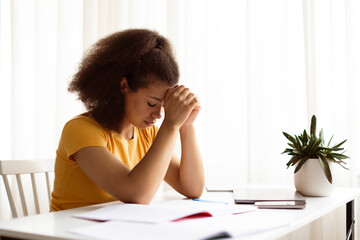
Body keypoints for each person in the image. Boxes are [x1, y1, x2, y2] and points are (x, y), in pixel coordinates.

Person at [50, 29, 204, 211]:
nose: (159, 115)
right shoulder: (80, 130)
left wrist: (186, 125)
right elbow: (137, 194)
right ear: (124, 86)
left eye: (164, 106)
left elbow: (193, 189)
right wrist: (171, 125)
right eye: (151, 103)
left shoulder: (146, 133)